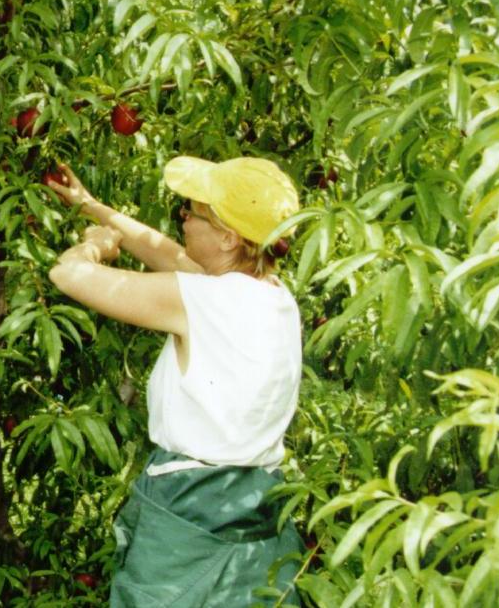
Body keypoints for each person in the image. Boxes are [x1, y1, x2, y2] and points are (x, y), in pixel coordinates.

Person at [46, 157, 306, 606]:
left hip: (189, 505)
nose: (183, 218)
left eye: (193, 212)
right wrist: (90, 205)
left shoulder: (204, 301)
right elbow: (166, 253)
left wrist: (93, 245)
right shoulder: (272, 296)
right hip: (256, 501)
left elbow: (67, 275)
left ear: (228, 237)